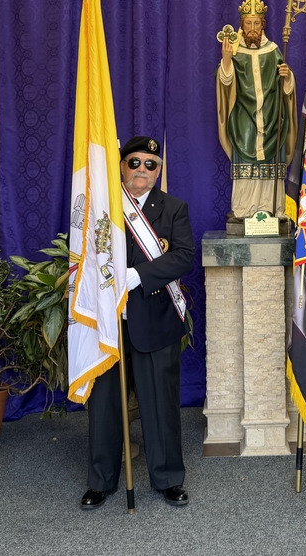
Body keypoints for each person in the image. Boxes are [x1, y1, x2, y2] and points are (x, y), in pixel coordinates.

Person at [80, 135, 195, 510]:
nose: (142, 170)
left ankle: (167, 479)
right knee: (105, 405)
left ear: (159, 171)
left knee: (160, 405)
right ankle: (101, 480)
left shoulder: (174, 208)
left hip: (154, 317)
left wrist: (138, 276)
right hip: (108, 322)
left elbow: (183, 257)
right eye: (135, 162)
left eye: (151, 164)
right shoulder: (103, 206)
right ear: (121, 166)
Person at [216, 0, 298, 220]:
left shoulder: (273, 52)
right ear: (241, 25)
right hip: (244, 123)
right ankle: (244, 210)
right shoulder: (235, 53)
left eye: (256, 24)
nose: (252, 29)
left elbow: (287, 89)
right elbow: (225, 83)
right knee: (246, 170)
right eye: (248, 24)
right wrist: (226, 62)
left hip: (272, 120)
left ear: (263, 25)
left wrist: (287, 77)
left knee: (271, 167)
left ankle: (273, 209)